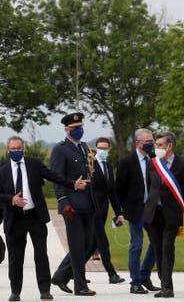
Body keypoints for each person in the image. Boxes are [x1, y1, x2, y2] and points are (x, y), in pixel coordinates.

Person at [0, 136, 87, 302]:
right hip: (15, 220)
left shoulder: (34, 164)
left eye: (19, 148)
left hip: (35, 217)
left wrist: (73, 183)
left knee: (41, 256)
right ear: (8, 150)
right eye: (13, 149)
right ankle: (15, 291)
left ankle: (45, 290)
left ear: (23, 149)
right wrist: (11, 200)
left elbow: (53, 176)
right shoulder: (2, 171)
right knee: (16, 258)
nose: (16, 151)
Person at [51, 112, 99, 296]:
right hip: (72, 204)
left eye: (80, 128)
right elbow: (57, 178)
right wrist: (63, 201)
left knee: (90, 243)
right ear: (66, 130)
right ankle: (80, 285)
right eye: (74, 129)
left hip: (88, 202)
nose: (78, 131)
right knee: (77, 245)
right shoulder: (60, 150)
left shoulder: (85, 147)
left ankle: (61, 275)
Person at [143, 132, 184, 299]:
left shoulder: (183, 165)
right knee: (157, 249)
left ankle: (167, 288)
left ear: (170, 146)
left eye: (160, 145)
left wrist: (177, 210)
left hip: (171, 215)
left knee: (167, 248)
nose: (157, 148)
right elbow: (150, 188)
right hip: (153, 214)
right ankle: (164, 282)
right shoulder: (153, 163)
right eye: (156, 145)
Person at [113, 128, 159, 294]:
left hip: (152, 208)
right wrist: (121, 211)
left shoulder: (154, 159)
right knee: (137, 245)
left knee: (156, 243)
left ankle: (145, 275)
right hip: (135, 209)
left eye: (151, 141)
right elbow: (119, 189)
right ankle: (135, 281)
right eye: (147, 142)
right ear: (138, 143)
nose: (150, 144)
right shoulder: (127, 162)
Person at [86, 137, 126, 284]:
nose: (103, 151)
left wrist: (119, 213)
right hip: (92, 211)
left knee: (90, 245)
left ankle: (68, 272)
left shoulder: (108, 166)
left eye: (105, 148)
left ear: (109, 149)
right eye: (100, 148)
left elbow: (112, 192)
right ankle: (112, 274)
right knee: (102, 243)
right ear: (96, 148)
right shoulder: (90, 165)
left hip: (103, 211)